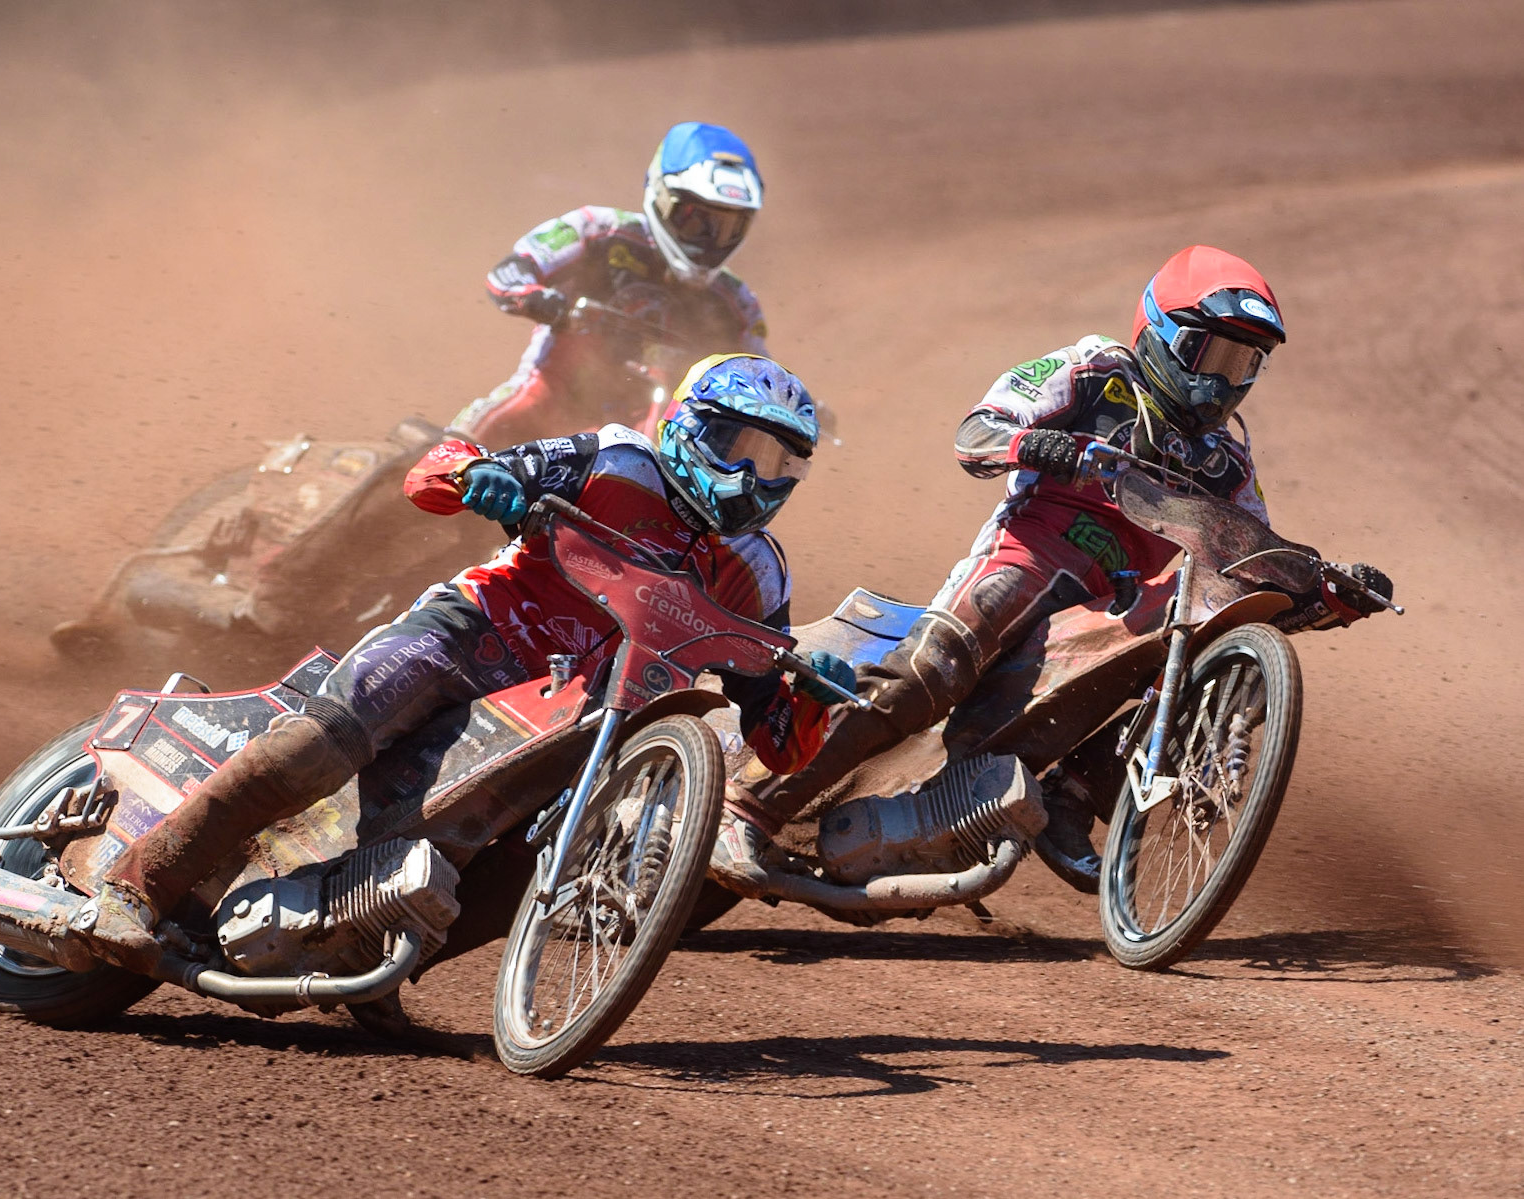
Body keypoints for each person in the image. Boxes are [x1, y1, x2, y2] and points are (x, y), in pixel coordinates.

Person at [79, 353, 854, 972]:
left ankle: (363, 952)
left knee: (516, 865)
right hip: (467, 635)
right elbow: (437, 470)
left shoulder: (761, 571)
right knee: (314, 748)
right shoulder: (618, 460)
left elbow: (777, 738)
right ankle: (135, 884)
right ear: (689, 425)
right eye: (740, 447)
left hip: (570, 718)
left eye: (782, 460)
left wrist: (818, 695)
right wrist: (479, 476)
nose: (758, 475)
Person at [709, 245, 1395, 897]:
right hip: (1030, 553)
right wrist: (1035, 442)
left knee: (1193, 644)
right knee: (933, 669)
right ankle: (748, 807)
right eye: (1210, 353)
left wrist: (1318, 591)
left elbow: (1240, 560)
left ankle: (1071, 798)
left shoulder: (1227, 463)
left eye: (1242, 363)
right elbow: (974, 432)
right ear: (1159, 331)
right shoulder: (1096, 370)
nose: (1221, 380)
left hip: (1107, 610)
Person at [447, 121, 771, 449]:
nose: (711, 240)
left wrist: (791, 406)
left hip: (656, 425)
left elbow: (760, 376)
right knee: (513, 410)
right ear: (662, 196)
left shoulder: (735, 303)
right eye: (697, 220)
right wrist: (542, 301)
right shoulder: (599, 230)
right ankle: (427, 468)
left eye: (730, 227)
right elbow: (511, 271)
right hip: (555, 389)